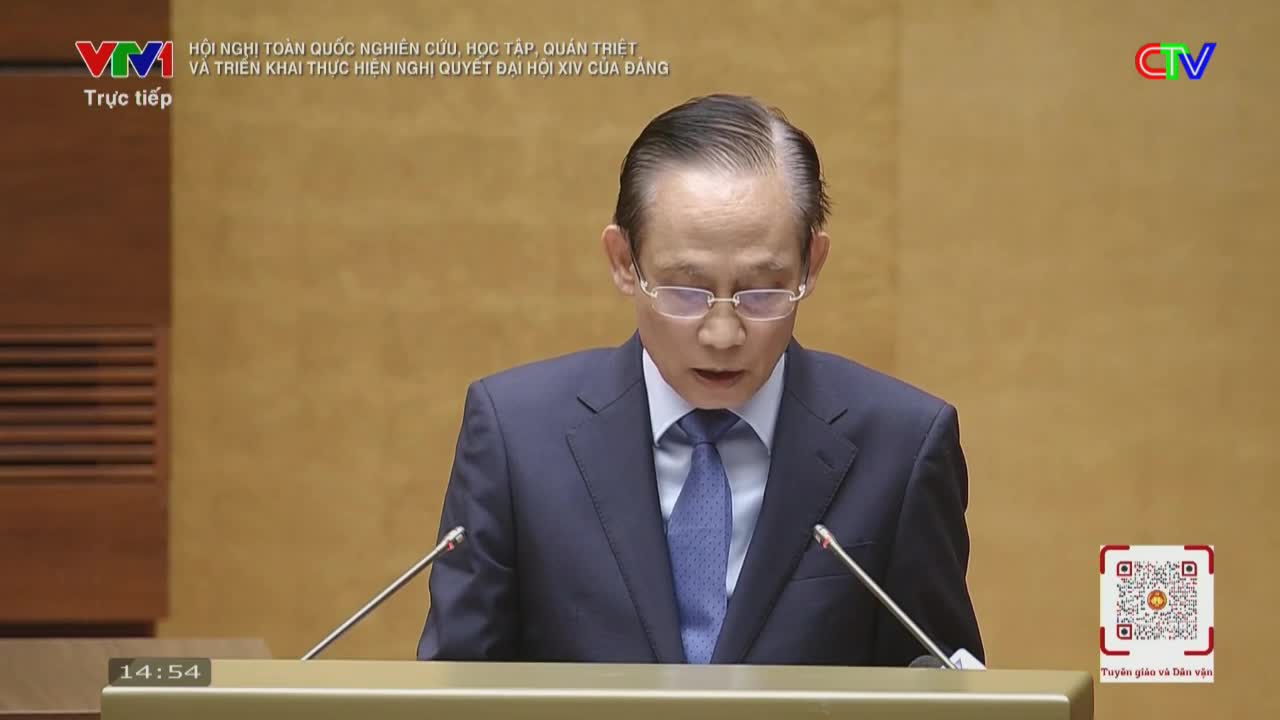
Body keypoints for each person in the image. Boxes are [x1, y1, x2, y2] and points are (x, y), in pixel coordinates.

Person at [416, 94, 983, 666]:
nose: (722, 333)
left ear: (811, 264)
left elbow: (942, 684)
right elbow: (457, 686)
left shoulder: (903, 447)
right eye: (685, 290)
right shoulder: (516, 437)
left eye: (762, 290)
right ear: (622, 260)